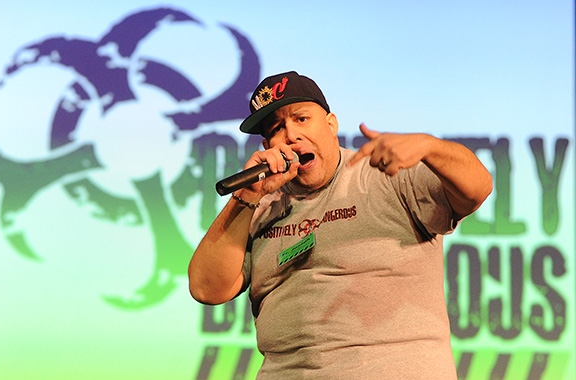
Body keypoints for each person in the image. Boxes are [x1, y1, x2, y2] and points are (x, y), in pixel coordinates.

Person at [188, 71, 492, 379]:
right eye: (277, 128)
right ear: (267, 144)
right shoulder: (259, 208)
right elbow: (206, 288)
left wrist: (431, 147)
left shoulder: (386, 174)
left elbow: (478, 188)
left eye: (301, 119)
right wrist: (245, 197)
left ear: (331, 124)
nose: (291, 134)